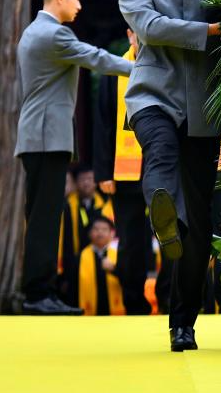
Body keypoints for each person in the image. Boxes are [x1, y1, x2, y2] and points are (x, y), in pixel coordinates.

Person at [115, 0, 221, 351]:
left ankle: (183, 322)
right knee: (159, 153)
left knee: (198, 224)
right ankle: (163, 213)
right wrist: (212, 30)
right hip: (153, 95)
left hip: (205, 106)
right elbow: (150, 28)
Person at [15, 0, 133, 316]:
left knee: (42, 216)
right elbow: (97, 58)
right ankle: (38, 294)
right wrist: (141, 67)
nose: (80, 5)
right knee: (45, 217)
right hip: (45, 137)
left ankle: (39, 291)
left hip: (39, 136)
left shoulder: (33, 31)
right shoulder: (54, 34)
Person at [93, 27, 151, 315]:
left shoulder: (166, 66)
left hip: (158, 166)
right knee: (130, 238)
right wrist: (103, 172)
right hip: (123, 170)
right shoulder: (113, 71)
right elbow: (102, 123)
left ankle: (168, 297)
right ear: (130, 35)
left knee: (170, 235)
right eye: (139, 34)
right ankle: (133, 300)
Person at [58, 165, 113, 306]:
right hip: (73, 260)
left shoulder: (105, 206)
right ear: (76, 183)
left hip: (101, 258)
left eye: (90, 179)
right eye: (82, 179)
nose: (86, 183)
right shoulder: (67, 206)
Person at [77, 216, 125, 316]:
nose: (100, 233)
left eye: (104, 229)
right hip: (89, 314)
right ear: (89, 233)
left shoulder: (119, 255)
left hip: (114, 313)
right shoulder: (80, 257)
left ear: (112, 233)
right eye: (96, 229)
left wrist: (114, 270)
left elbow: (129, 280)